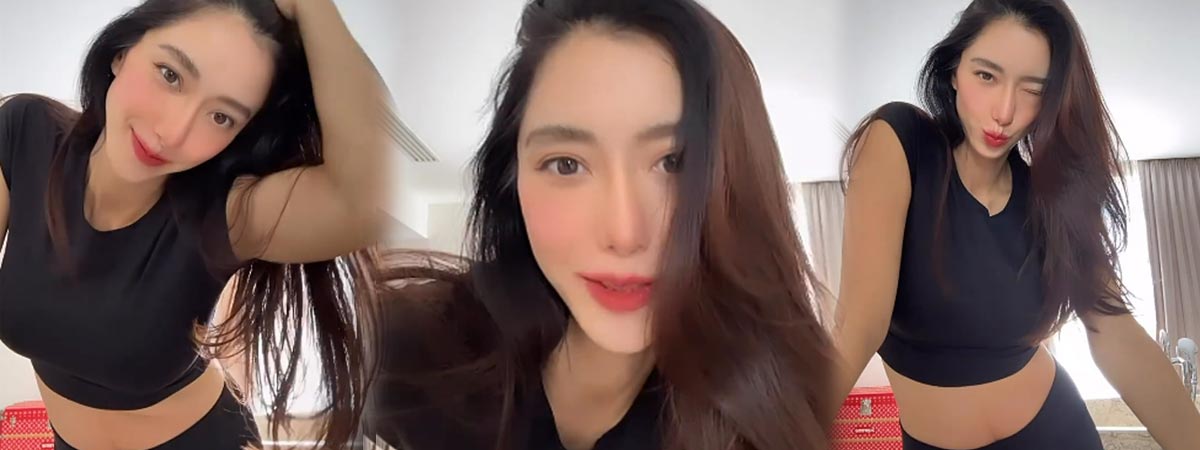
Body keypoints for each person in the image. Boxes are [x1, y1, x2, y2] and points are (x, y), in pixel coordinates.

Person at [361, 0, 835, 449]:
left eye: (674, 162)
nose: (624, 235)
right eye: (566, 165)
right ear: (511, 182)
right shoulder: (401, 352)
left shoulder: (771, 414)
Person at [0, 0, 393, 448]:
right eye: (170, 75)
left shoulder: (223, 214)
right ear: (122, 51)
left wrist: (313, 5)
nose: (173, 132)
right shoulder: (23, 134)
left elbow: (359, 203)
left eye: (221, 117)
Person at [831, 0, 1200, 448]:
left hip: (1057, 434)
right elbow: (858, 326)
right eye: (986, 76)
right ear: (954, 70)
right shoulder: (901, 144)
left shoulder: (1052, 201)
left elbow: (1116, 333)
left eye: (1032, 89)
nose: (1004, 111)